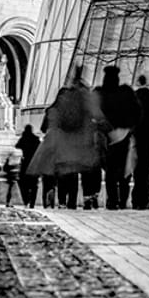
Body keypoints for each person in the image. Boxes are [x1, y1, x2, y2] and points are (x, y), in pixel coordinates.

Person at [27, 71, 104, 210]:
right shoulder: (85, 101)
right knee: (77, 174)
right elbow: (97, 119)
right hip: (81, 145)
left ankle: (61, 200)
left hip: (61, 146)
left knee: (63, 174)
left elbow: (44, 127)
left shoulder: (57, 106)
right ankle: (76, 201)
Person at [94, 66, 140, 210]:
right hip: (124, 135)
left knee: (110, 172)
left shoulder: (99, 94)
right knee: (124, 172)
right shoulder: (126, 93)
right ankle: (122, 200)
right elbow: (137, 113)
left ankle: (112, 200)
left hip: (107, 137)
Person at [131, 74, 149, 209]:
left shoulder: (133, 97)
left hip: (137, 135)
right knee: (146, 166)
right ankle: (144, 199)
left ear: (138, 82)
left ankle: (136, 198)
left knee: (137, 168)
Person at [16, 124, 41, 208]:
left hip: (25, 163)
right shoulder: (36, 139)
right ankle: (32, 202)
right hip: (34, 163)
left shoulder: (24, 138)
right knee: (34, 185)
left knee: (23, 184)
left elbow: (17, 146)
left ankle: (26, 200)